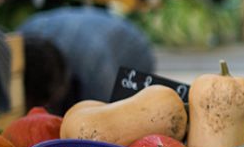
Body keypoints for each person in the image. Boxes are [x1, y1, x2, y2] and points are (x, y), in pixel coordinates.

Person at [20, 8, 155, 113]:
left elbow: (103, 117)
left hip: (134, 49)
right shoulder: (24, 34)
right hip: (90, 33)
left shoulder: (95, 65)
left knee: (126, 115)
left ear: (64, 81)